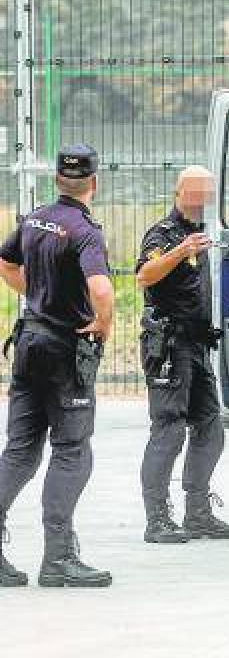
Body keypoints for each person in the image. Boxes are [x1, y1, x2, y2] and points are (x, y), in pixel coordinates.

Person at [0, 143, 113, 588]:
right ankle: (59, 557)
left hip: (28, 342)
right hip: (65, 352)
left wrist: (38, 294)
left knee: (21, 451)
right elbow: (102, 290)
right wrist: (103, 324)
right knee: (72, 451)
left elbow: (6, 262)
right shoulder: (85, 231)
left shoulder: (34, 218)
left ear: (57, 180)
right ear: (94, 182)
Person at [134, 166, 229, 544]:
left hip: (196, 345)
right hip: (169, 343)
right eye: (194, 190)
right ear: (179, 191)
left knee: (211, 427)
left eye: (207, 191)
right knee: (169, 429)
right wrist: (181, 252)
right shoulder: (164, 234)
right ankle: (157, 518)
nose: (201, 197)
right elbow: (145, 275)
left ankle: (197, 512)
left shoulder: (206, 233)